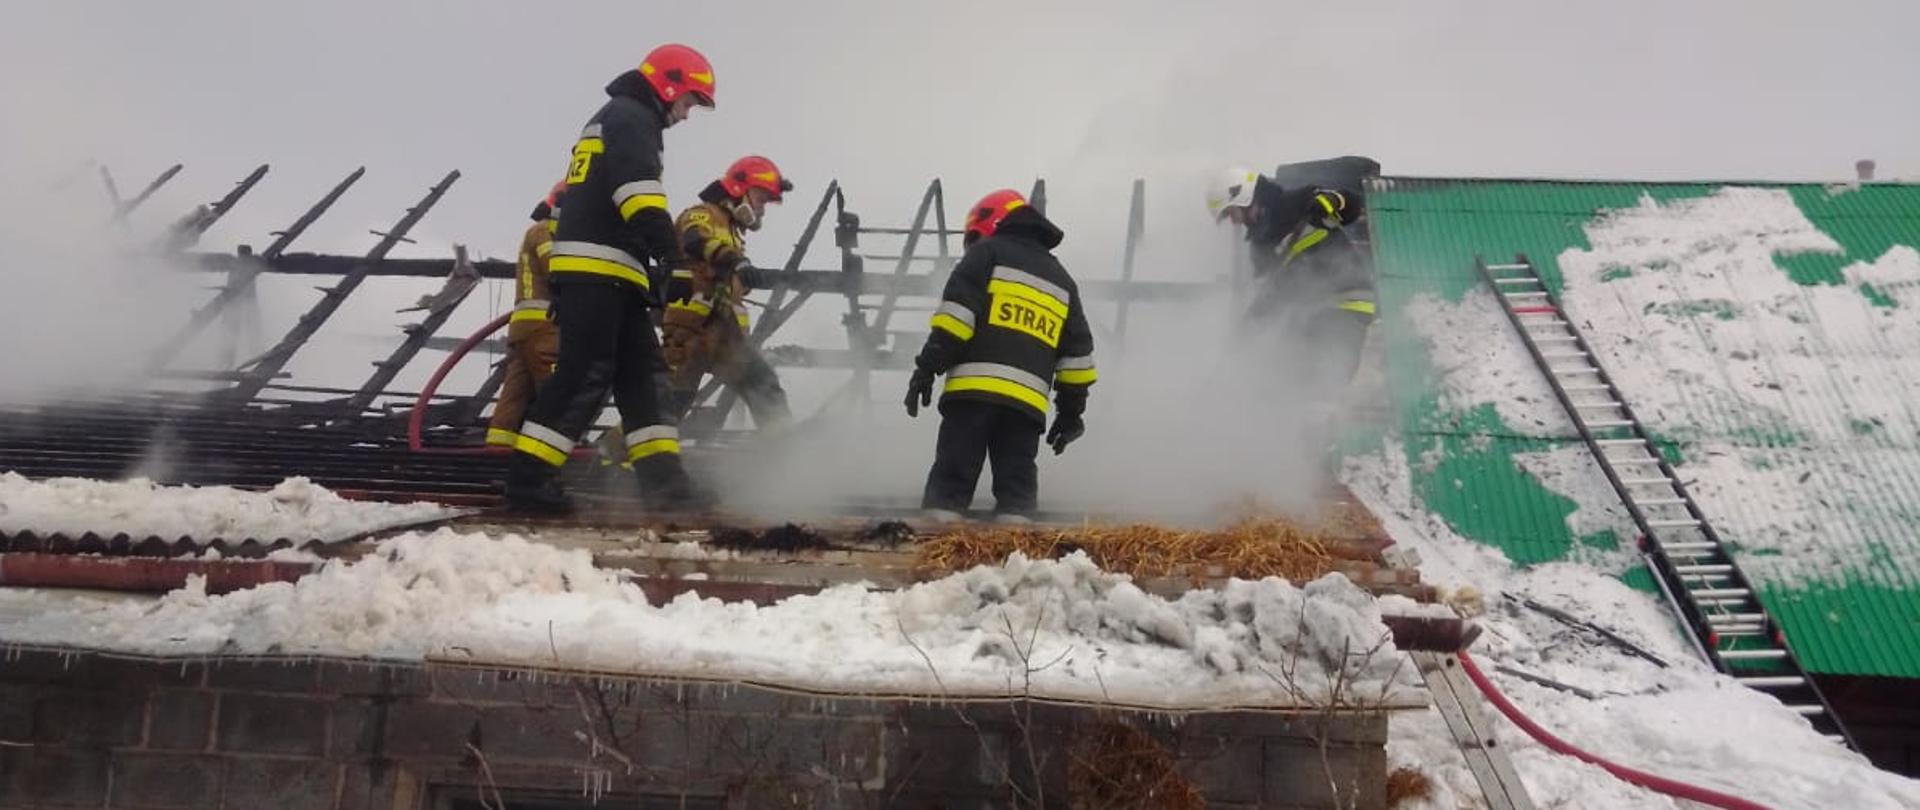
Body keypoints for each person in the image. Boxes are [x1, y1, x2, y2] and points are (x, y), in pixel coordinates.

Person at [504, 44, 716, 513]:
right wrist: (672, 258)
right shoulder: (631, 117)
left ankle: (666, 486)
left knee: (645, 380)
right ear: (668, 86)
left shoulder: (618, 117)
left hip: (613, 274)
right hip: (598, 270)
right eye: (687, 104)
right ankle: (528, 482)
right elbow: (637, 195)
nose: (684, 116)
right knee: (585, 374)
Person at [905, 189, 1096, 523]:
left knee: (948, 492)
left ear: (990, 223)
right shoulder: (1063, 282)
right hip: (1025, 410)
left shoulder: (986, 256)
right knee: (1017, 498)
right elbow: (1077, 359)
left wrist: (926, 369)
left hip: (972, 397)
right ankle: (1016, 564)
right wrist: (1070, 415)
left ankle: (931, 560)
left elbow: (955, 322)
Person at [1205, 156, 1381, 395]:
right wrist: (1242, 337)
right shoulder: (1260, 248)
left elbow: (1352, 204)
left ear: (1243, 196)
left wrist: (1332, 201)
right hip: (1309, 312)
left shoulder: (1298, 203)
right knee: (1280, 374)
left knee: (1321, 374)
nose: (1234, 222)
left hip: (1345, 303)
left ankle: (1323, 412)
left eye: (1231, 212)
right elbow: (1270, 298)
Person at [659, 155, 794, 430]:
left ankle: (787, 454)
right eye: (761, 198)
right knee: (668, 404)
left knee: (763, 384)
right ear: (738, 188)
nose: (762, 209)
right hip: (692, 330)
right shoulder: (704, 213)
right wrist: (737, 261)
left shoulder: (733, 230)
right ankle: (611, 455)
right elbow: (696, 239)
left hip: (723, 333)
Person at [486, 182, 565, 449]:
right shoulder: (544, 231)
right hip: (544, 324)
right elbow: (557, 269)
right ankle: (550, 450)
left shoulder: (536, 230)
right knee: (554, 388)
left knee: (515, 392)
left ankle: (499, 446)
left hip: (524, 327)